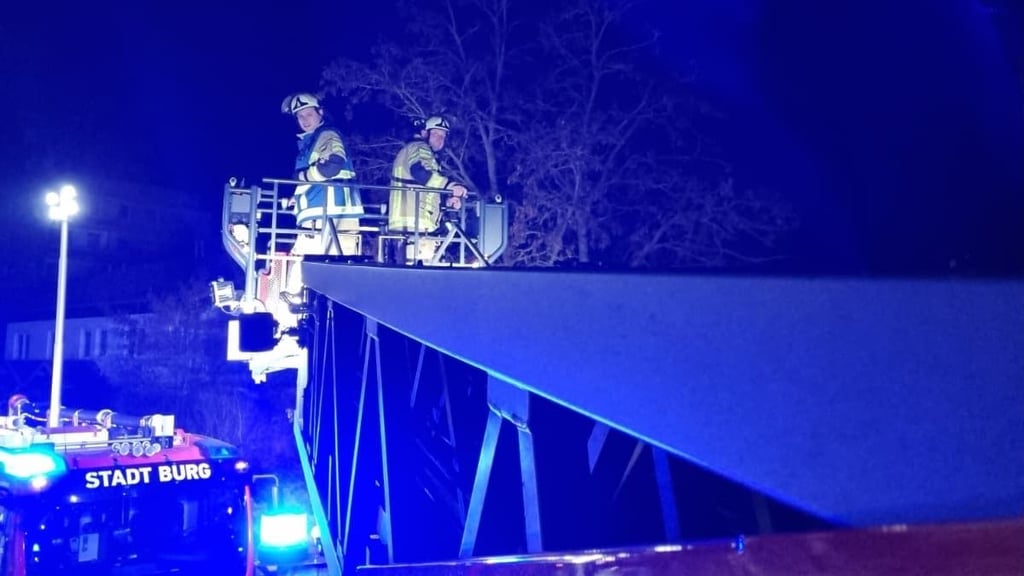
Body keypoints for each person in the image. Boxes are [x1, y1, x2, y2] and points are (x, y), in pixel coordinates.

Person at [280, 92, 363, 307]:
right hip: (321, 212)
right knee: (313, 259)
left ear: (321, 113)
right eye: (300, 117)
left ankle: (308, 300)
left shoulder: (326, 135)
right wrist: (295, 196)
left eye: (308, 114)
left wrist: (303, 178)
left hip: (331, 212)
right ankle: (306, 299)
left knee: (322, 261)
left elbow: (334, 163)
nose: (305, 120)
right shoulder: (310, 142)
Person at [389, 115, 468, 264]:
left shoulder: (408, 150)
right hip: (416, 228)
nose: (440, 139)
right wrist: (451, 186)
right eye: (436, 134)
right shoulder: (420, 148)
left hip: (408, 227)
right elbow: (420, 172)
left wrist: (447, 199)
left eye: (443, 136)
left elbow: (427, 186)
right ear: (425, 133)